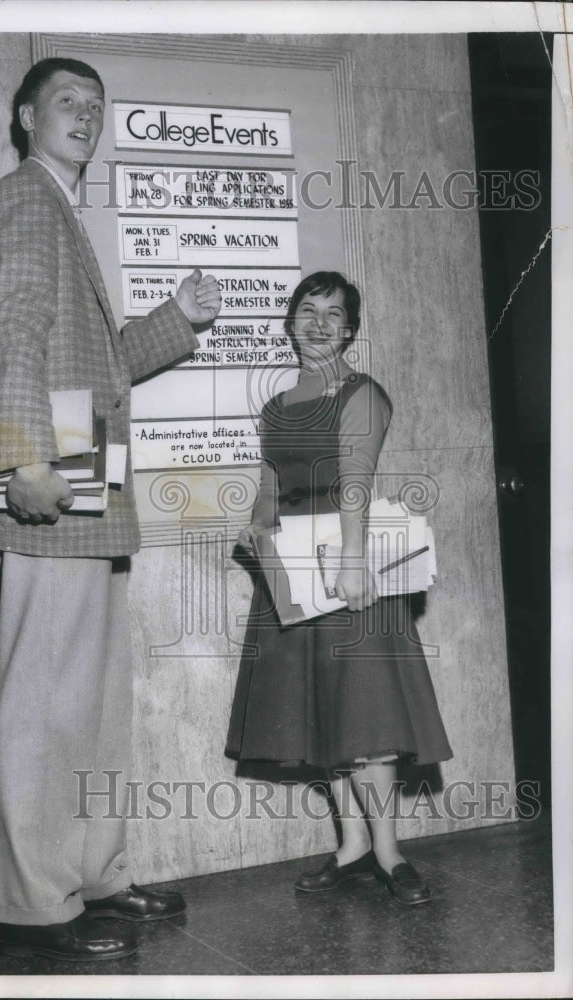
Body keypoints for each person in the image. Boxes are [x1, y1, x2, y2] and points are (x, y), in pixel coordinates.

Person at [0, 57, 221, 961]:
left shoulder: (62, 212)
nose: (87, 115)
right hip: (52, 470)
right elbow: (6, 337)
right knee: (41, 701)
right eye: (68, 101)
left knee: (92, 702)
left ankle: (95, 876)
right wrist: (22, 457)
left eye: (97, 107)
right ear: (25, 115)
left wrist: (176, 318)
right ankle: (36, 906)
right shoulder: (25, 200)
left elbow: (96, 361)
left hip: (84, 471)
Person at [226, 271, 452, 904]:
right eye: (307, 310)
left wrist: (354, 563)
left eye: (334, 314)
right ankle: (351, 845)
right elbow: (272, 482)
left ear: (350, 329)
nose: (319, 323)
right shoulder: (276, 406)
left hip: (349, 567)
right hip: (294, 571)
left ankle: (388, 851)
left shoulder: (362, 393)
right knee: (326, 712)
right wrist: (258, 528)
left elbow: (355, 479)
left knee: (366, 713)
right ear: (291, 320)